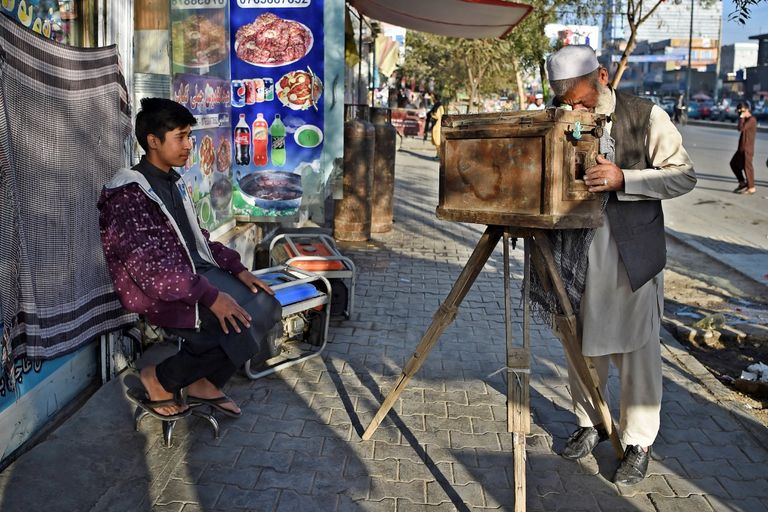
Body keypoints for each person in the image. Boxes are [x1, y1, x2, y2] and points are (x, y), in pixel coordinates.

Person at [543, 46, 696, 485]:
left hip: (630, 255)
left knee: (637, 353)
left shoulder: (645, 116)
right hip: (574, 255)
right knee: (580, 344)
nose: (574, 108)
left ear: (603, 77)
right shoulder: (560, 115)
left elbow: (683, 174)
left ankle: (638, 443)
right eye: (565, 100)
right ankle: (591, 422)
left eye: (580, 99)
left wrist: (624, 178)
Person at [98, 98, 281, 419]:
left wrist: (238, 270)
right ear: (153, 142)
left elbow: (200, 239)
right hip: (160, 291)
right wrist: (211, 297)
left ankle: (202, 381)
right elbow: (151, 272)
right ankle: (159, 378)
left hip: (195, 276)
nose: (188, 146)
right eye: (180, 137)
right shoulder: (129, 194)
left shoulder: (174, 182)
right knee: (236, 325)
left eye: (189, 137)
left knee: (266, 304)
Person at [730, 101, 757, 195]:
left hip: (747, 149)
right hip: (741, 148)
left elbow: (741, 128)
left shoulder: (752, 120)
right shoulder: (744, 119)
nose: (739, 113)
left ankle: (751, 187)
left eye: (741, 111)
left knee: (747, 167)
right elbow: (739, 128)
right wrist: (742, 118)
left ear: (747, 110)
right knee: (733, 164)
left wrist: (741, 118)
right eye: (739, 112)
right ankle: (742, 182)